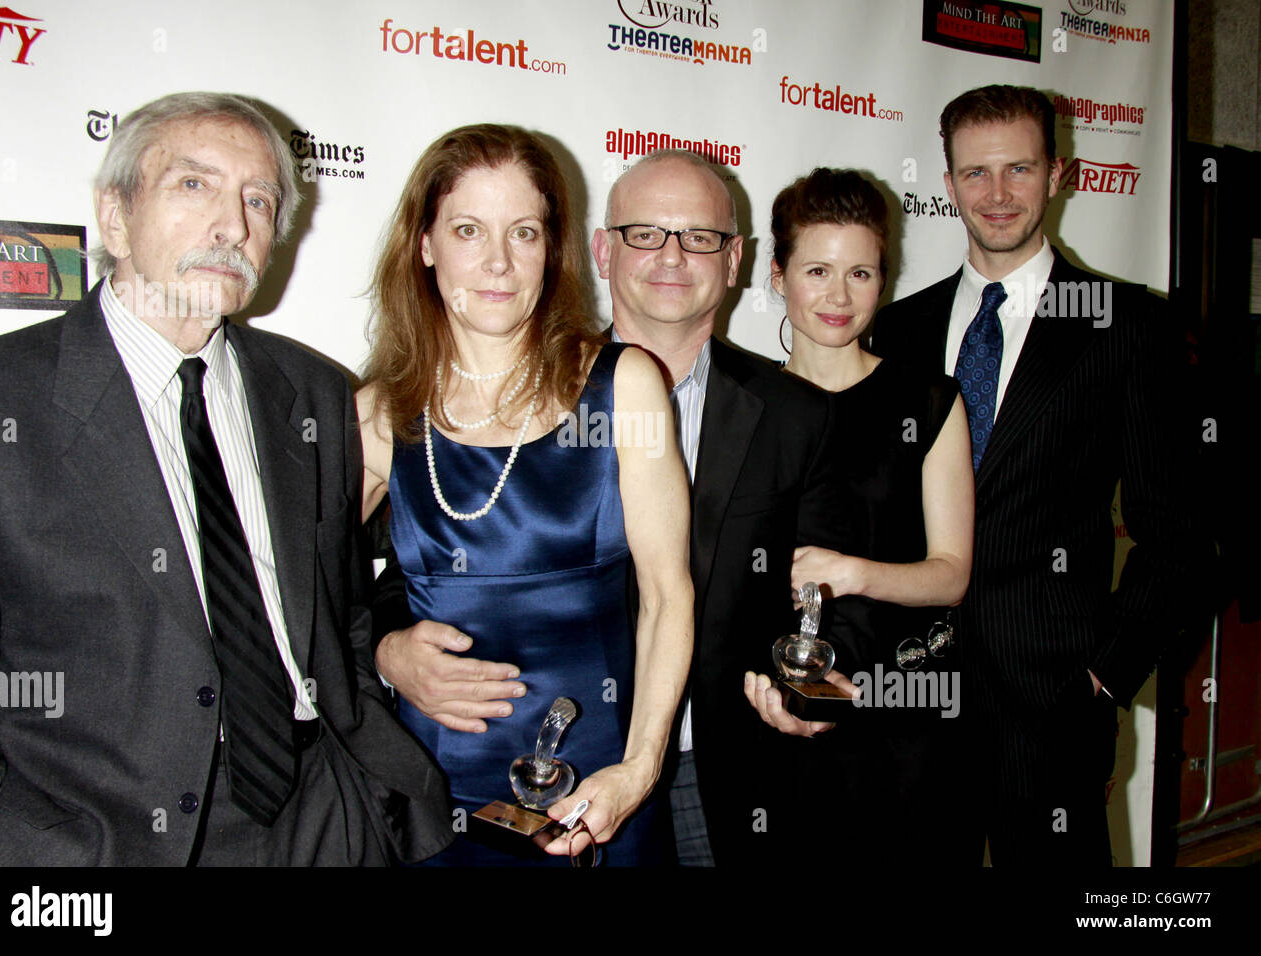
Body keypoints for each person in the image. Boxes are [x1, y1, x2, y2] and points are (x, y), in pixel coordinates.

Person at [0, 92, 452, 865]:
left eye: (257, 200)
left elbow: (340, 606)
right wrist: (27, 850)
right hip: (108, 838)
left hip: (324, 813)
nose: (234, 225)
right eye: (194, 185)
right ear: (114, 217)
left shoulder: (312, 391)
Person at [871, 84, 1205, 866]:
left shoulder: (1127, 324)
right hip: (911, 693)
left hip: (1053, 700)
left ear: (1059, 173)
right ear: (947, 184)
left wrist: (1104, 676)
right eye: (976, 174)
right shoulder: (898, 327)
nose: (996, 195)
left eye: (1018, 169)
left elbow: (1178, 534)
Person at [357, 125, 692, 866]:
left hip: (598, 787)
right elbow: (297, 599)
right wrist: (383, 654)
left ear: (553, 248)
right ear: (425, 244)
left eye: (525, 232)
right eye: (469, 230)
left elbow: (670, 596)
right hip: (434, 794)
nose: (499, 262)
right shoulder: (379, 413)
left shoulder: (624, 384)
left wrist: (639, 770)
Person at [588, 150, 844, 866]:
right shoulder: (536, 397)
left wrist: (811, 684)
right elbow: (423, 575)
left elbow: (830, 593)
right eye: (645, 233)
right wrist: (397, 643)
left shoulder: (795, 415)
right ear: (603, 250)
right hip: (572, 763)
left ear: (734, 261)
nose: (672, 256)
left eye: (699, 237)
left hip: (724, 779)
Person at [740, 167, 975, 862]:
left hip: (905, 717)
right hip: (781, 719)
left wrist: (853, 572)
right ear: (777, 275)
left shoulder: (929, 400)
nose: (838, 296)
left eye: (862, 274)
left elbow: (952, 576)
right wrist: (764, 684)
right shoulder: (742, 407)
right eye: (817, 270)